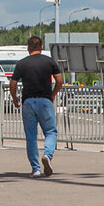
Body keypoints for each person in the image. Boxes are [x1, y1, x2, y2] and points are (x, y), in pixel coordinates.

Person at [9, 35, 64, 178]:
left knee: (31, 136)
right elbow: (59, 80)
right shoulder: (49, 61)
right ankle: (47, 155)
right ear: (41, 47)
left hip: (28, 102)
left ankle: (36, 169)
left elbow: (13, 84)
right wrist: (53, 94)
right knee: (50, 132)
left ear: (28, 48)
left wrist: (15, 98)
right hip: (45, 101)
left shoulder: (22, 64)